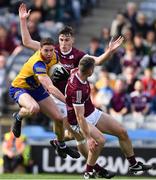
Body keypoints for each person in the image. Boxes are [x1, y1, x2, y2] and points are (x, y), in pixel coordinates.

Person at [18, 3, 124, 177]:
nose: (64, 43)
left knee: (79, 135)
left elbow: (97, 61)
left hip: (70, 100)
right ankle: (91, 167)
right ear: (58, 40)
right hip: (55, 97)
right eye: (61, 40)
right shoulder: (52, 52)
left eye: (67, 40)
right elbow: (27, 42)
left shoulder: (79, 55)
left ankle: (66, 147)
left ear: (72, 40)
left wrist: (109, 52)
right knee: (81, 136)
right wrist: (23, 21)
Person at [65, 56, 153, 178]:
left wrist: (111, 51)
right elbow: (80, 117)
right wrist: (89, 138)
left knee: (122, 131)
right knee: (99, 141)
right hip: (79, 120)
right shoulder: (77, 89)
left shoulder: (76, 71)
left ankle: (134, 165)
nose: (94, 70)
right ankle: (88, 172)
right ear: (90, 71)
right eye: (93, 69)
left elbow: (96, 61)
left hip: (92, 112)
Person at [9, 37, 80, 159]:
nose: (48, 53)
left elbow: (56, 68)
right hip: (20, 88)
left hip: (36, 88)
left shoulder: (55, 56)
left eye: (51, 50)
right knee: (33, 108)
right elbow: (50, 88)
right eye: (45, 50)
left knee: (58, 118)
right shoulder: (38, 63)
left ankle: (61, 145)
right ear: (40, 49)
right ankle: (18, 116)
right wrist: (68, 102)